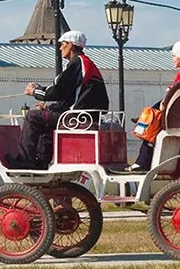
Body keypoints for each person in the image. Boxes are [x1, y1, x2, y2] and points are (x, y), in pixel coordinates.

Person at [14, 30, 109, 169]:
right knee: (45, 120)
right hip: (86, 116)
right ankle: (40, 163)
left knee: (32, 116)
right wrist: (49, 108)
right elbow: (70, 97)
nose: (60, 48)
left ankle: (24, 161)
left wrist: (34, 91)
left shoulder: (76, 63)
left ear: (70, 45)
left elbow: (58, 91)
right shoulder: (87, 63)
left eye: (62, 44)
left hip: (76, 118)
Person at [129, 39, 180, 171]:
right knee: (152, 122)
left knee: (150, 129)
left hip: (177, 112)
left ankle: (142, 161)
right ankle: (143, 119)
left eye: (174, 56)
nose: (172, 59)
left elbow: (174, 93)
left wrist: (164, 104)